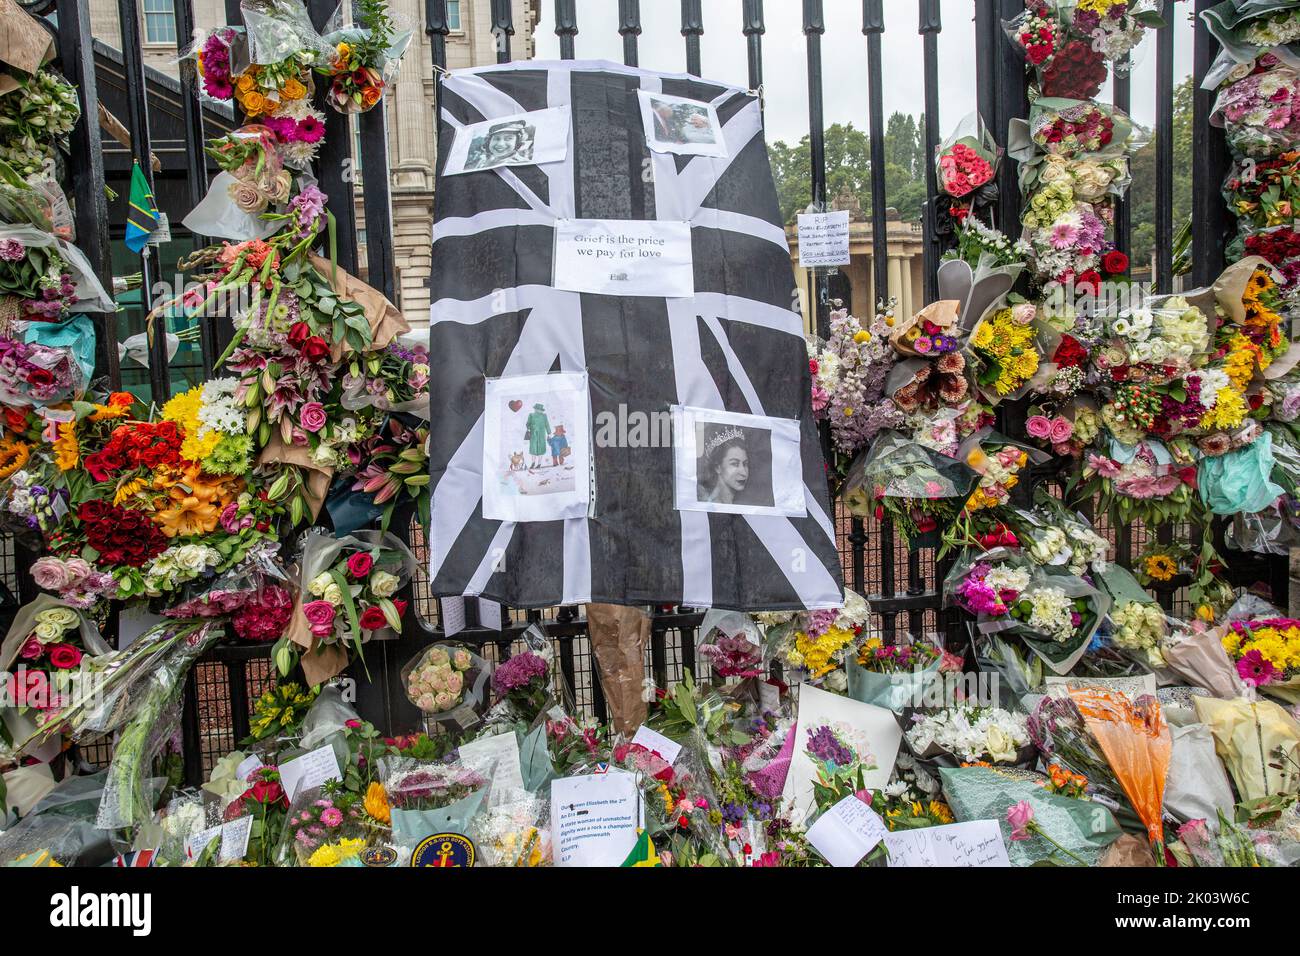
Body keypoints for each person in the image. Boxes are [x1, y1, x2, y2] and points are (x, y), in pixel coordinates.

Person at [699, 425, 751, 505]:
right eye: (734, 464)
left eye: (745, 464)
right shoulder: (708, 504)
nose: (744, 473)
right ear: (718, 467)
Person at [525, 402, 550, 470]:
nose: (538, 410)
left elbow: (547, 424)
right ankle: (533, 463)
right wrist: (530, 428)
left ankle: (539, 463)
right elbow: (527, 424)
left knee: (541, 449)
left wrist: (549, 433)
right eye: (537, 409)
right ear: (535, 409)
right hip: (534, 434)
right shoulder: (531, 415)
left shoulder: (544, 416)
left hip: (542, 434)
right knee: (533, 449)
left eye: (539, 409)